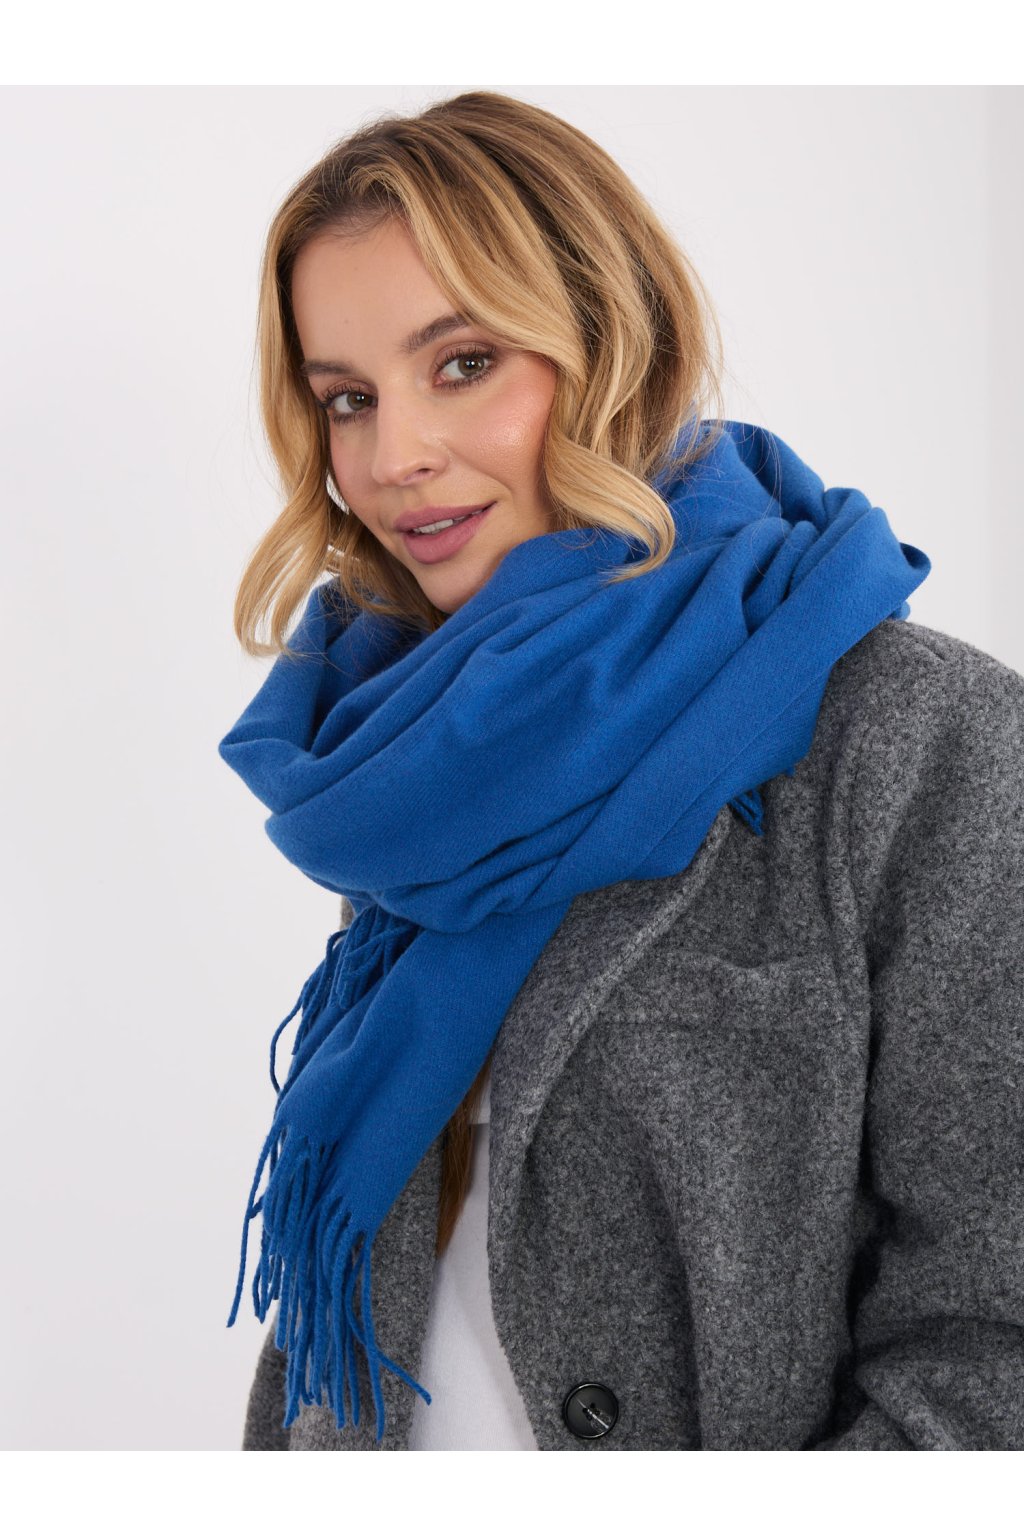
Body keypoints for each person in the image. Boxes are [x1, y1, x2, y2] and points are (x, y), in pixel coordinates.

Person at [218, 90, 1024, 1451]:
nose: (394, 456)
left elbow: (993, 1346)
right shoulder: (422, 751)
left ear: (613, 344)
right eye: (347, 399)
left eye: (462, 362)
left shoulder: (922, 743)